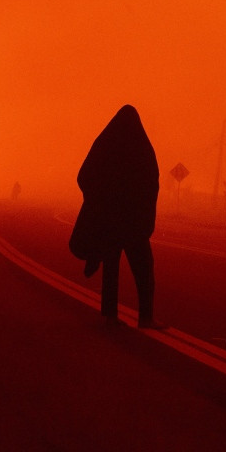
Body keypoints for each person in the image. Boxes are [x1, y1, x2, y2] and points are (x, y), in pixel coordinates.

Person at [70, 105, 166, 329]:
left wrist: (99, 202)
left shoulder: (104, 146)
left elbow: (84, 176)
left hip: (111, 222)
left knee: (111, 270)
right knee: (144, 271)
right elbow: (152, 184)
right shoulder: (142, 149)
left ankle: (110, 316)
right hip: (133, 224)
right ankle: (145, 317)